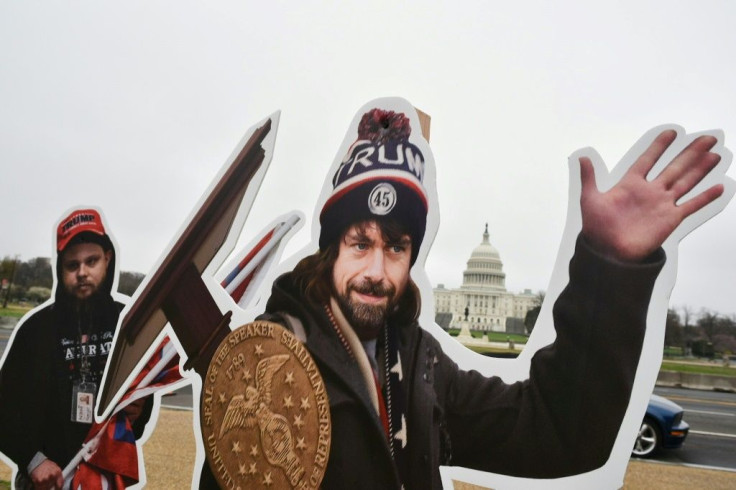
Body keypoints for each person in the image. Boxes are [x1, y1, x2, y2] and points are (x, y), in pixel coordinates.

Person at [255, 107, 726, 489]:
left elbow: (558, 433)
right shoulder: (268, 362)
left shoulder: (419, 361)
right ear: (330, 249)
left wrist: (609, 266)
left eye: (396, 247)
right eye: (361, 243)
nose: (377, 272)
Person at [0, 208, 151, 490]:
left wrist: (139, 409)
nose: (82, 272)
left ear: (107, 259)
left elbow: (142, 399)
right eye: (72, 265)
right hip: (46, 482)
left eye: (91, 261)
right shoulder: (35, 330)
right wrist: (33, 461)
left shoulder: (127, 324)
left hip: (106, 477)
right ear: (61, 269)